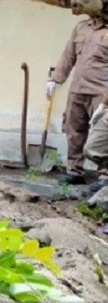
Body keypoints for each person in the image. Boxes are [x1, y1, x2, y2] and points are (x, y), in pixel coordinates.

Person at [48, 16, 108, 187]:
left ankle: (105, 175)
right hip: (77, 89)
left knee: (103, 133)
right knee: (73, 131)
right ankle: (74, 171)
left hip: (102, 91)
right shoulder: (81, 27)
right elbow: (68, 56)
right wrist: (55, 79)